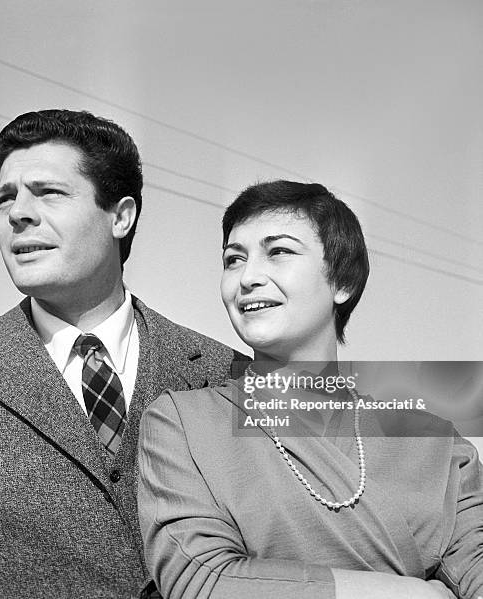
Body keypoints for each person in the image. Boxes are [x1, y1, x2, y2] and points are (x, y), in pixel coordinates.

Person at [0, 109, 246, 598]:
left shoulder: (228, 372)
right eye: (5, 197)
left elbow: (366, 445)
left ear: (121, 215)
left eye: (48, 192)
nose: (17, 213)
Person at [138, 180, 483, 599]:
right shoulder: (182, 423)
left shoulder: (436, 444)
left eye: (278, 251)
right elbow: (200, 579)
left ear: (342, 282)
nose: (247, 278)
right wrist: (416, 594)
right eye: (233, 259)